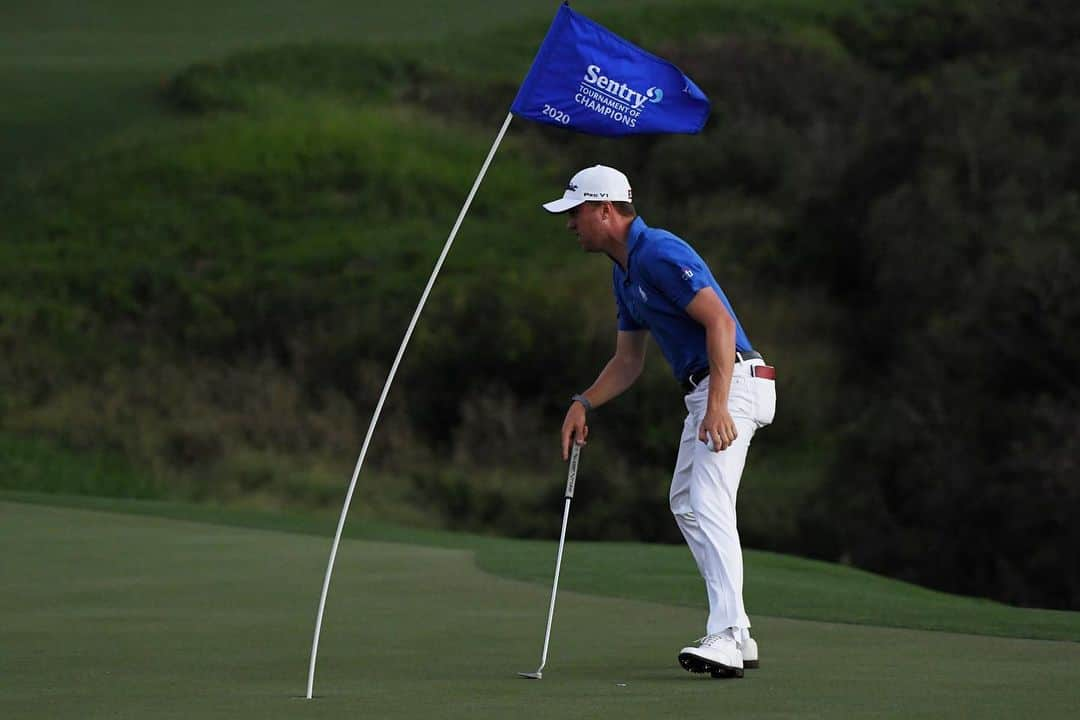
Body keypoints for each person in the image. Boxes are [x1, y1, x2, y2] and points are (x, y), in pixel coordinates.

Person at [543, 165, 776, 679]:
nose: (570, 224)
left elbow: (719, 321)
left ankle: (727, 636)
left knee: (708, 501)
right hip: (711, 390)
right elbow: (628, 361)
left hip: (732, 383)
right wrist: (584, 401)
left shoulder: (659, 252)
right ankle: (737, 628)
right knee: (687, 504)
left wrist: (716, 404)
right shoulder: (623, 271)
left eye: (576, 213)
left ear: (605, 210)